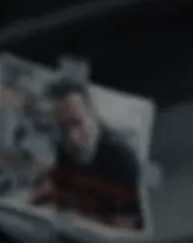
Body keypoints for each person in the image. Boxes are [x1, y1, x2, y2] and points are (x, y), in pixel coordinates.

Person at [33, 81, 147, 230]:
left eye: (77, 122)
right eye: (62, 127)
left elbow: (127, 224)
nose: (71, 137)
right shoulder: (63, 147)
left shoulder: (123, 158)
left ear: (93, 115)